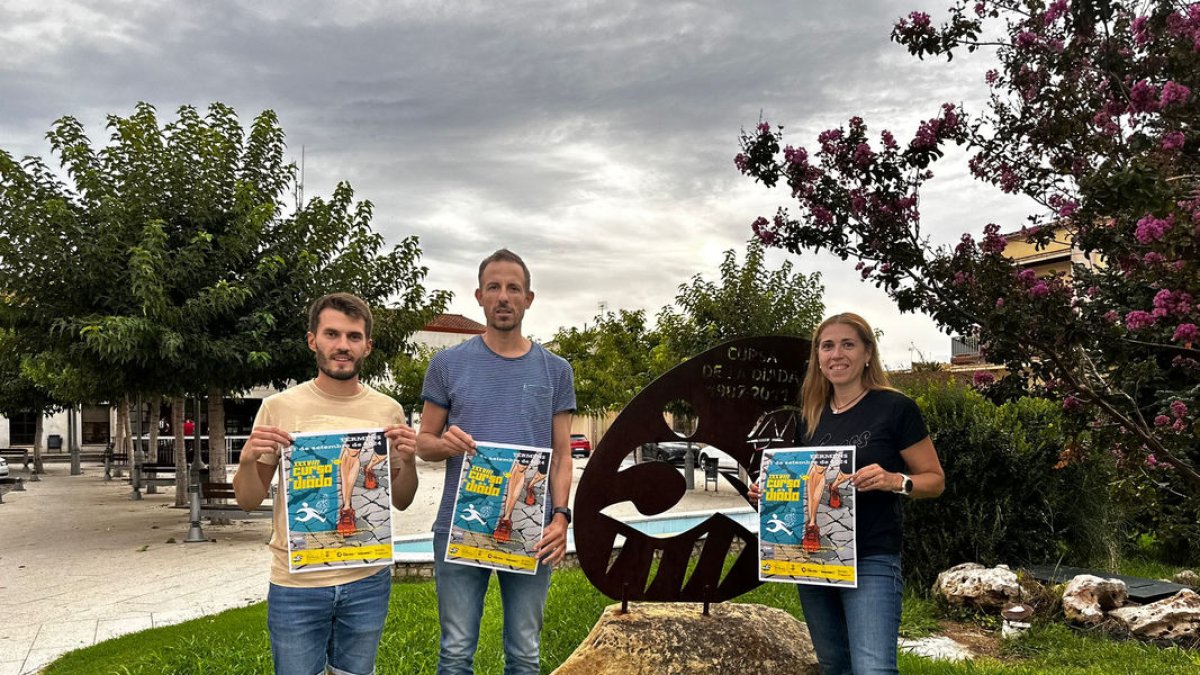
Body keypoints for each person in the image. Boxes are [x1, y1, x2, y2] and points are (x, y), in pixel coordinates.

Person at [232, 292, 420, 675]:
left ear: (367, 345)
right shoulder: (279, 407)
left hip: (367, 581)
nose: (342, 346)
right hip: (296, 583)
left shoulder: (388, 410)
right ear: (312, 340)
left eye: (353, 337)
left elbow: (402, 500)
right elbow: (249, 500)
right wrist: (248, 459)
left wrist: (410, 460)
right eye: (332, 334)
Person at [750, 312, 944, 675]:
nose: (836, 354)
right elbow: (805, 480)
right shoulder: (811, 416)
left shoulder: (896, 408)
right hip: (815, 559)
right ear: (818, 358)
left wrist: (894, 480)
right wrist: (770, 493)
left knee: (873, 669)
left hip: (871, 558)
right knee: (834, 665)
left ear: (868, 353)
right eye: (827, 346)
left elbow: (934, 480)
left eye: (848, 344)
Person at [417, 249, 575, 675]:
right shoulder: (447, 364)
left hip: (531, 530)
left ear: (529, 298)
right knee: (455, 652)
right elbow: (423, 443)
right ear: (479, 296)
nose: (503, 297)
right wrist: (445, 444)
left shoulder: (556, 370)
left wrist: (560, 516)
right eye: (494, 288)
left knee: (524, 653)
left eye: (513, 288)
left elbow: (563, 454)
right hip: (459, 524)